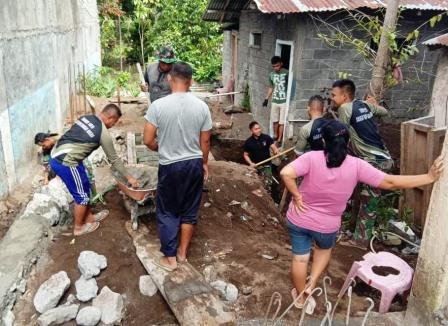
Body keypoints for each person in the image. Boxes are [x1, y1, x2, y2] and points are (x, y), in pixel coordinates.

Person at [280, 120, 443, 313]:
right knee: (323, 250)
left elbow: (285, 172)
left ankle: (301, 298)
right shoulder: (357, 165)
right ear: (348, 142)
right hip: (327, 226)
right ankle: (312, 282)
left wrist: (297, 196)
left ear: (324, 141)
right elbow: (390, 182)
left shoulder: (311, 158)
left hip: (299, 218)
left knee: (300, 259)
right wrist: (429, 177)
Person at [143, 62, 212, 272]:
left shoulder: (158, 106)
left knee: (168, 211)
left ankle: (170, 258)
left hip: (170, 165)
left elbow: (147, 140)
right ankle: (182, 254)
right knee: (189, 211)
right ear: (190, 82)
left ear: (170, 79)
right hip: (193, 164)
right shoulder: (202, 107)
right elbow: (206, 142)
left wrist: (161, 147)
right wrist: (204, 163)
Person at [49, 104, 139, 236]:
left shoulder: (87, 118)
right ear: (110, 117)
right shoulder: (103, 133)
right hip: (66, 162)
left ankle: (89, 218)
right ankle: (79, 228)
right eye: (114, 122)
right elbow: (113, 159)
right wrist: (129, 177)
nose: (113, 125)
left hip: (60, 154)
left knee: (85, 185)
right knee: (82, 197)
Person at [331, 79, 393, 242]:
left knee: (368, 202)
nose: (332, 98)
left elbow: (341, 134)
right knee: (362, 196)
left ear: (344, 96)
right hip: (379, 158)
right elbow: (384, 112)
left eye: (334, 95)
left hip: (374, 161)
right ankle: (354, 232)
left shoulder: (345, 108)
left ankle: (360, 241)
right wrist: (371, 104)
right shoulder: (363, 105)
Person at [243, 121, 280, 191]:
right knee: (254, 184)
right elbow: (245, 155)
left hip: (266, 165)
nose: (258, 130)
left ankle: (269, 193)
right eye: (256, 129)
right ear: (251, 130)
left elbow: (273, 147)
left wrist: (276, 151)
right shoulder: (248, 142)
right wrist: (251, 163)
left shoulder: (266, 138)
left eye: (259, 128)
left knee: (267, 184)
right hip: (256, 166)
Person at [263, 56, 288, 145]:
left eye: (277, 66)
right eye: (273, 66)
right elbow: (271, 87)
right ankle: (275, 135)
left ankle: (279, 139)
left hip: (284, 101)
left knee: (282, 121)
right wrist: (266, 99)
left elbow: (290, 87)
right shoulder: (271, 75)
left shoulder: (287, 73)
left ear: (281, 64)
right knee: (275, 120)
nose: (275, 68)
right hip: (275, 101)